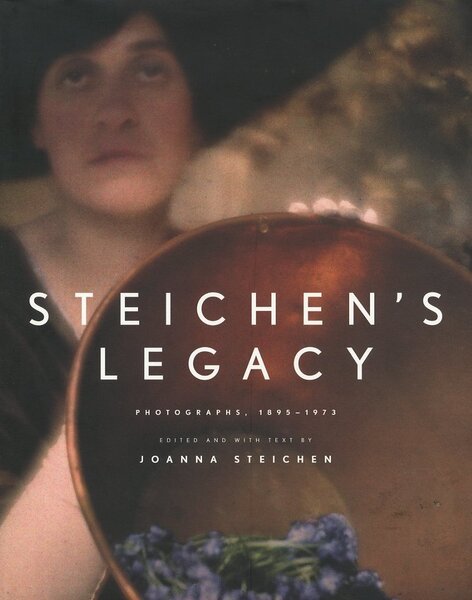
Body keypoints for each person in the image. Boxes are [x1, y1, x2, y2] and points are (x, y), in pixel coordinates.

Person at [0, 1, 402, 597]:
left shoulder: (254, 292)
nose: (115, 112)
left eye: (150, 70)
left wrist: (346, 332)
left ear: (195, 115)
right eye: (76, 75)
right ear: (35, 119)